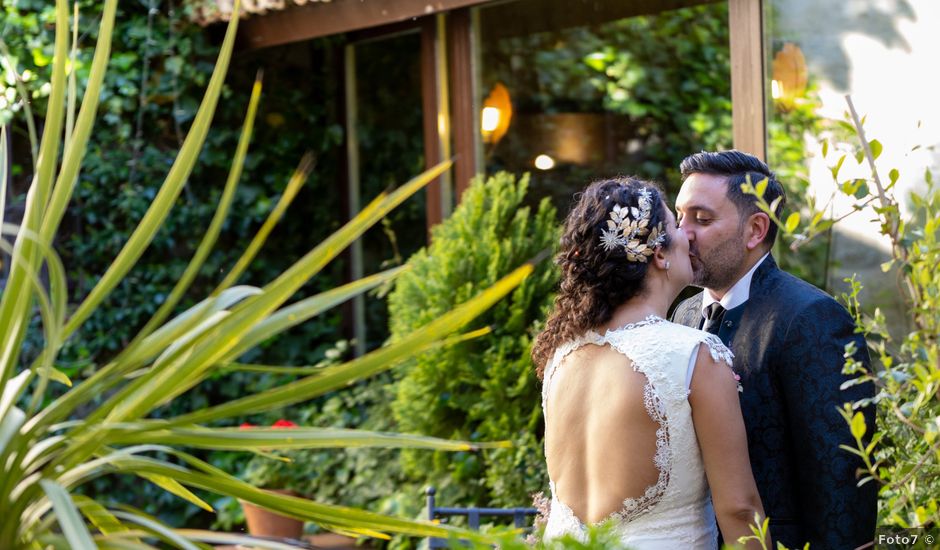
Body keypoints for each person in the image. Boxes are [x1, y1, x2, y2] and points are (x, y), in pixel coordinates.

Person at [531, 177, 768, 549]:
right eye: (676, 226)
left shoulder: (563, 354)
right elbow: (739, 509)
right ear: (659, 254)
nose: (688, 236)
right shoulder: (694, 355)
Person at [671, 150, 877, 549]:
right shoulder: (683, 312)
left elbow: (841, 481)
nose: (682, 234)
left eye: (702, 218)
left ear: (755, 229)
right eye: (679, 217)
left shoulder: (812, 318)